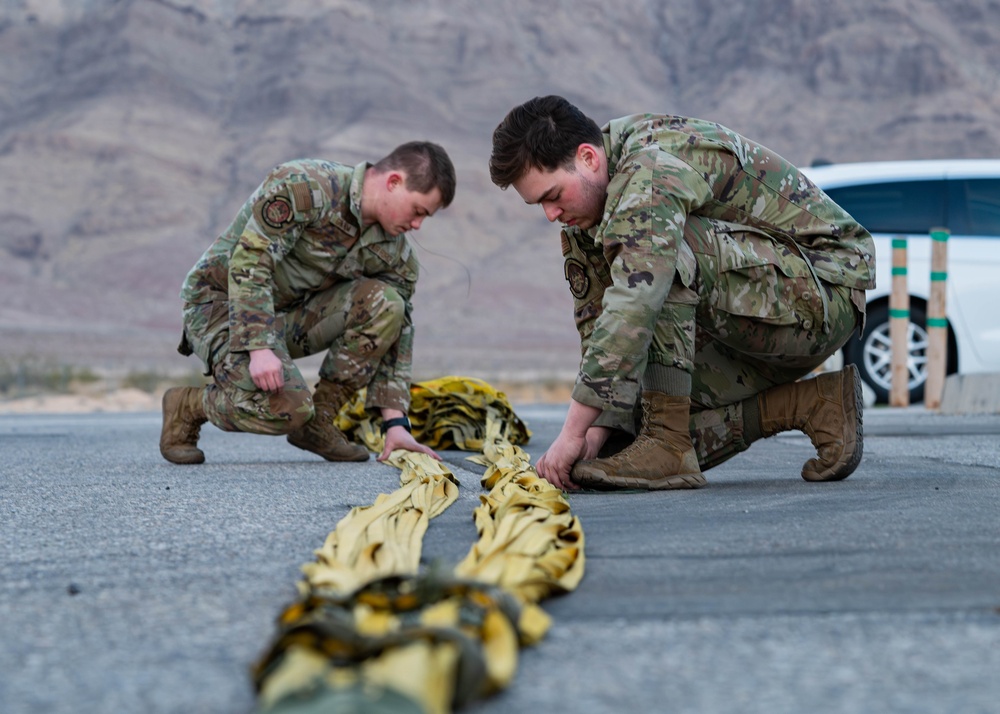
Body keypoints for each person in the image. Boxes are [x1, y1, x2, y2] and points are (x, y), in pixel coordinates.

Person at [489, 96, 875, 491]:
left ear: (588, 158)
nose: (550, 215)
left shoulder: (649, 170)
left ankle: (667, 444)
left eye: (553, 196)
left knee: (659, 255)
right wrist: (594, 433)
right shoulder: (586, 218)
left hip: (824, 292)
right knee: (622, 432)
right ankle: (813, 404)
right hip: (756, 311)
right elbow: (599, 327)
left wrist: (570, 433)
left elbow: (634, 303)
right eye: (539, 204)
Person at [160, 142, 456, 465]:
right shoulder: (307, 186)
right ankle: (189, 405)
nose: (417, 226)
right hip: (219, 304)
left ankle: (320, 423)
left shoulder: (395, 254)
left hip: (283, 318)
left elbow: (399, 329)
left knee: (389, 304)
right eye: (418, 211)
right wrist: (259, 347)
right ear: (394, 182)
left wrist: (395, 423)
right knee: (288, 409)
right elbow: (251, 260)